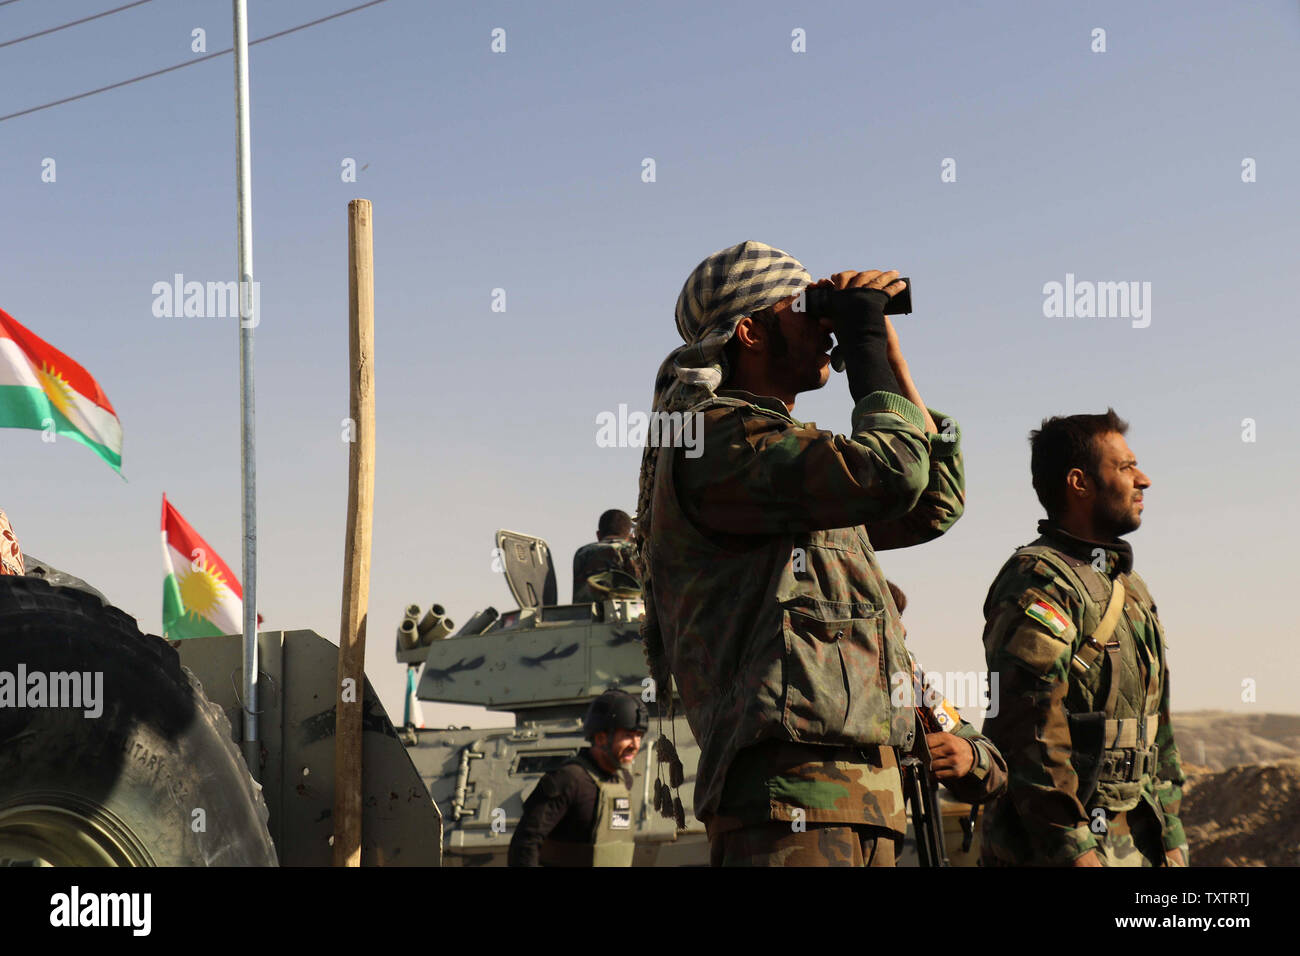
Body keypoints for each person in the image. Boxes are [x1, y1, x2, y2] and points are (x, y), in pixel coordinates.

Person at [636, 240, 976, 866]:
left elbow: (934, 500)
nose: (823, 327)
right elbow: (896, 473)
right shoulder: (716, 443)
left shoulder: (790, 461)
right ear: (750, 333)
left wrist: (884, 349)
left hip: (862, 800)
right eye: (803, 307)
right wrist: (864, 340)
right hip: (786, 805)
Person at [979, 410, 1187, 867]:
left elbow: (1155, 727)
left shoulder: (1132, 590)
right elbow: (1028, 725)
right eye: (1126, 467)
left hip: (1132, 841)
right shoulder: (1039, 580)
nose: (1144, 480)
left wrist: (1170, 835)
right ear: (1080, 482)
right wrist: (1072, 847)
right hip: (1055, 849)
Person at [508, 689, 646, 867]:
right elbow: (526, 842)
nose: (635, 745)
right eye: (627, 735)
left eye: (639, 736)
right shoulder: (568, 780)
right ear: (601, 738)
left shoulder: (623, 780)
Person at [571, 509, 642, 603]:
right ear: (628, 535)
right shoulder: (633, 551)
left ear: (598, 535)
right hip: (628, 614)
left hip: (586, 615)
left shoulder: (582, 553)